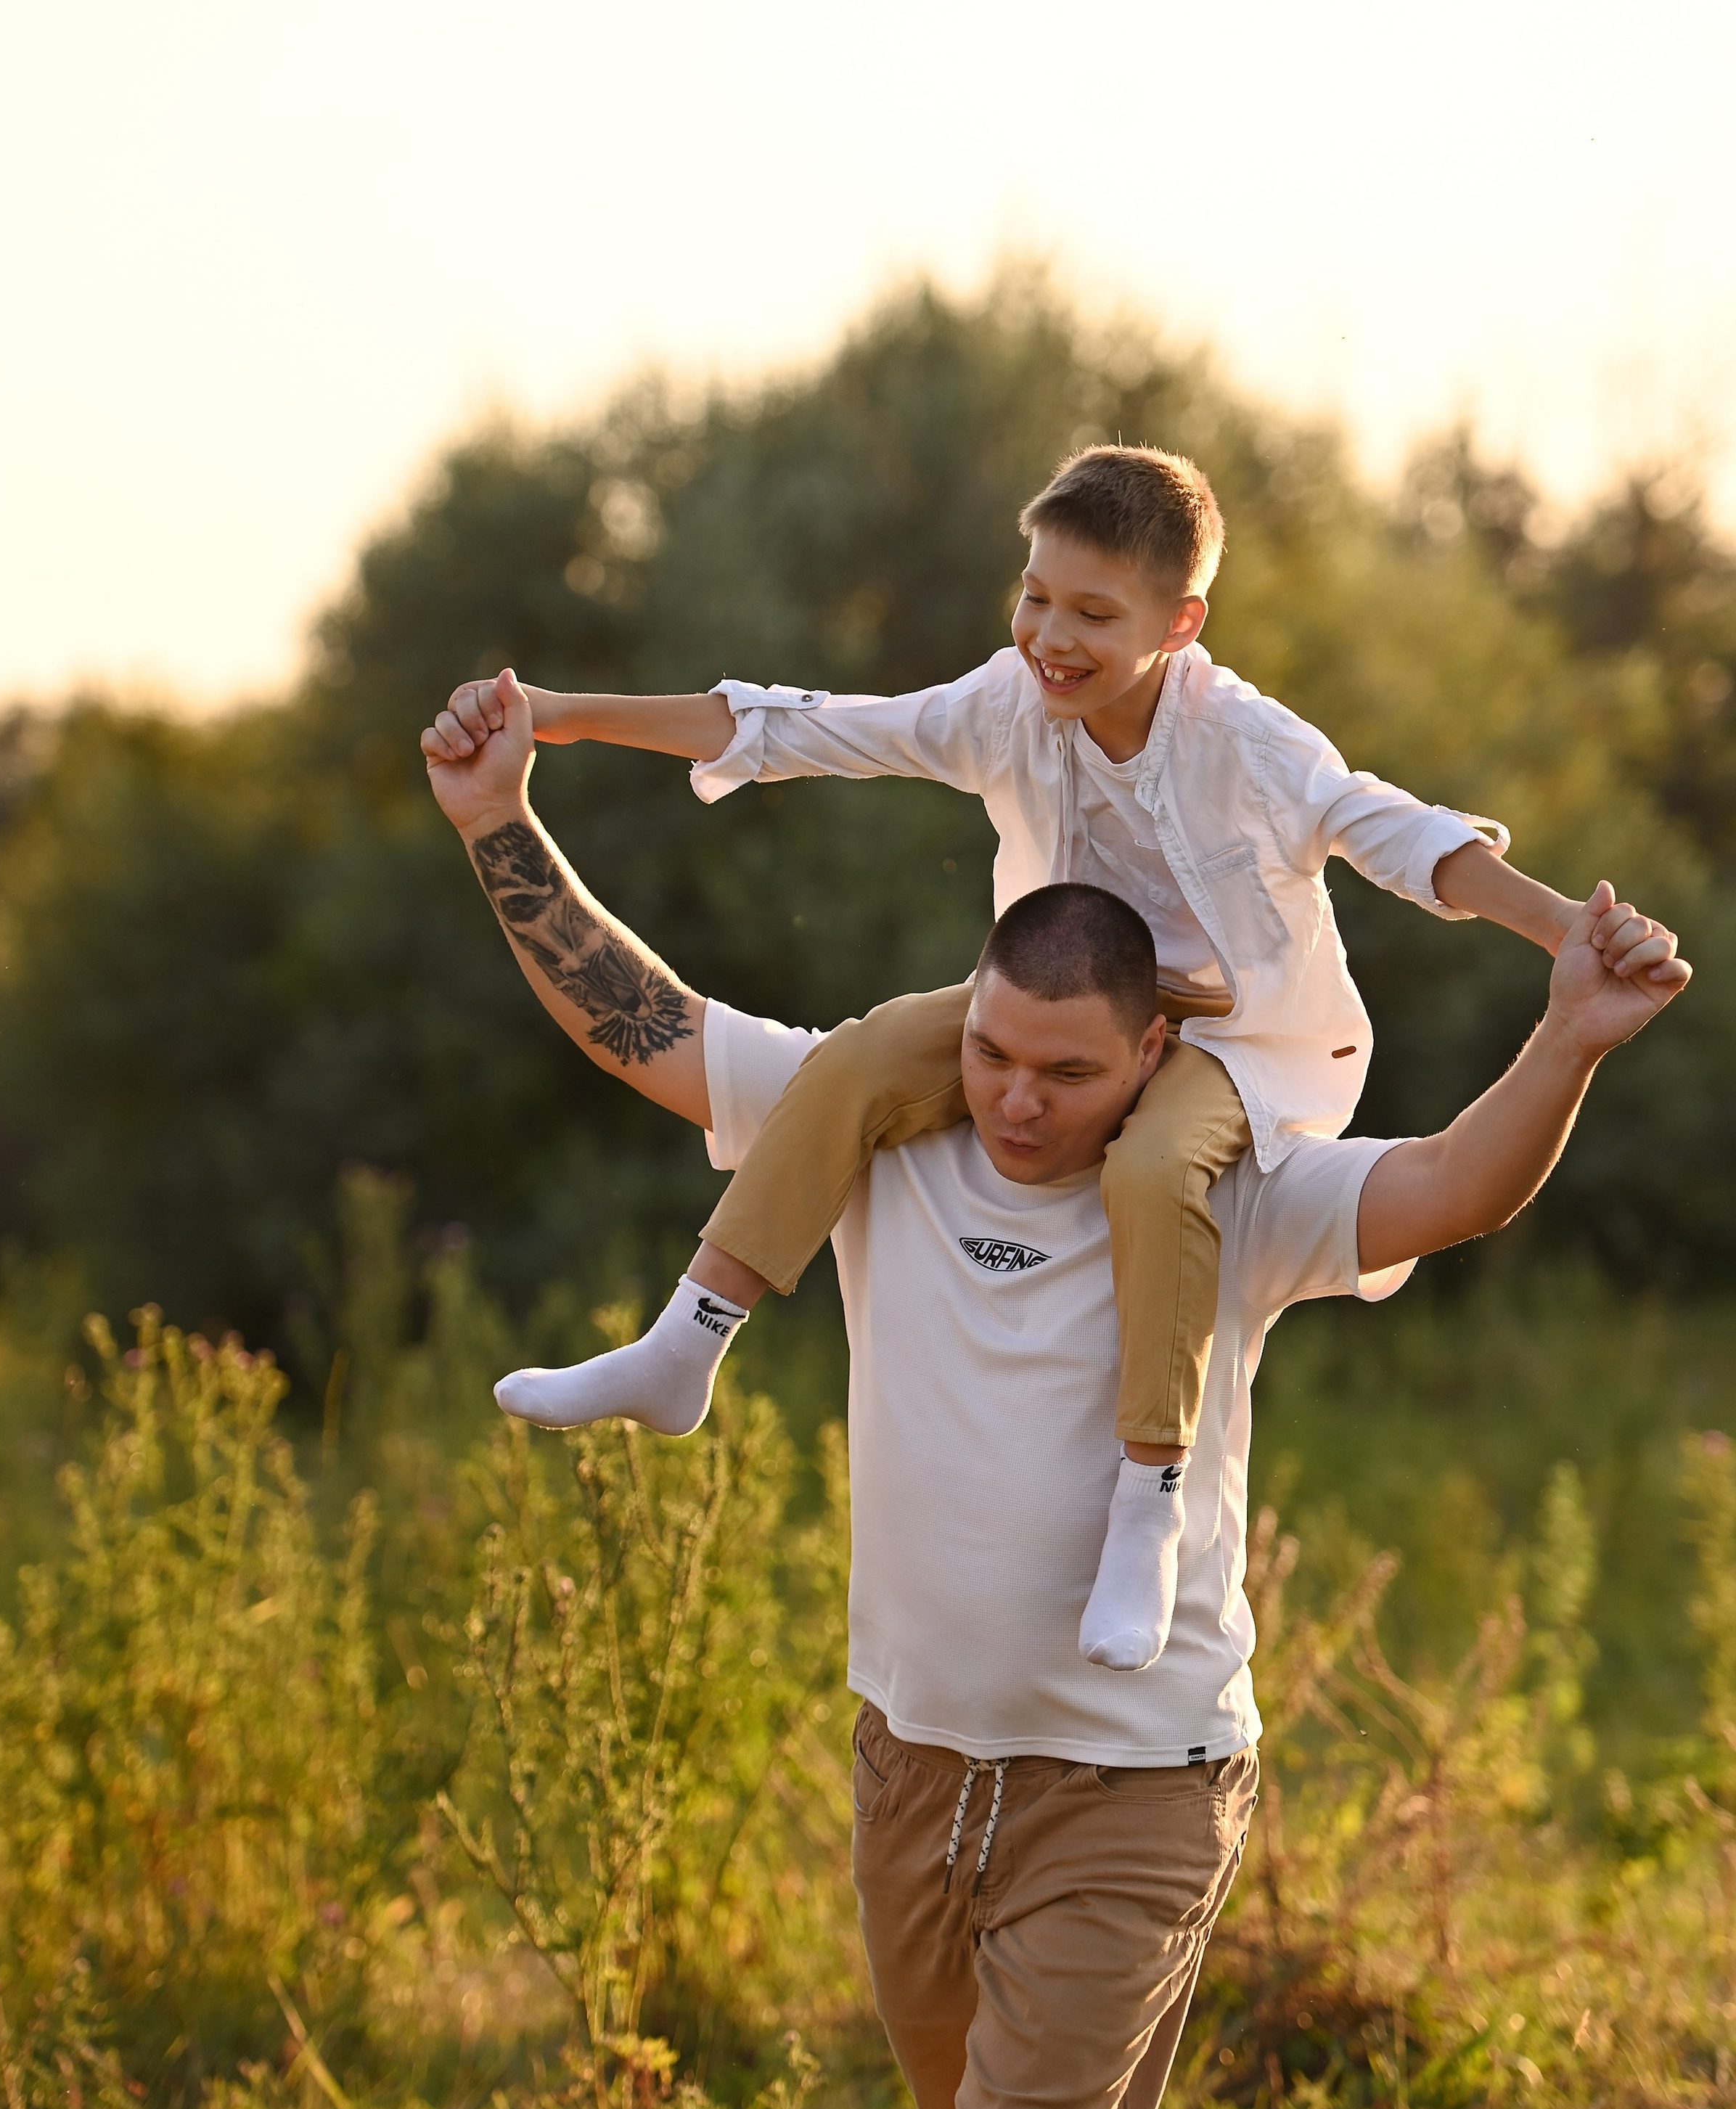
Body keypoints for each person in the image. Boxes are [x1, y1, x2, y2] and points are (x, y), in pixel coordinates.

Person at [421, 677, 1687, 2109]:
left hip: (1140, 1783)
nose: (1019, 1097)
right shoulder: (878, 1125)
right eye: (997, 1054)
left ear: (1156, 1059)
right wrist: (495, 827)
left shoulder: (1226, 1189)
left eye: (1066, 1075)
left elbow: (1446, 1188)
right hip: (917, 1768)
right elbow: (649, 1029)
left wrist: (1569, 1042)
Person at [428, 443, 1599, 1673]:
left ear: (1180, 623)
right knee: (865, 1053)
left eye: (1096, 613)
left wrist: (1566, 931)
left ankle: (1147, 1500)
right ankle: (687, 1343)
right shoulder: (1006, 703)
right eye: (1037, 595)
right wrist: (553, 720)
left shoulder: (1251, 745)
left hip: (1226, 1045)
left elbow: (1404, 838)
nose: (1052, 634)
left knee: (1152, 1173)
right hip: (1055, 995)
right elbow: (789, 727)